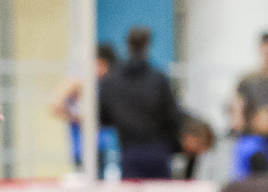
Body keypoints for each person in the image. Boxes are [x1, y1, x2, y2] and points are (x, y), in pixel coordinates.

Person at [100, 26, 184, 181]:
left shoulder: (112, 81)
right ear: (147, 45)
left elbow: (103, 116)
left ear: (128, 45)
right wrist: (173, 147)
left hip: (129, 150)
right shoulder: (159, 79)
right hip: (158, 151)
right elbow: (173, 115)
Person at [53, 44, 116, 173]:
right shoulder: (79, 81)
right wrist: (77, 117)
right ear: (99, 63)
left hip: (102, 145)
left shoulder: (103, 83)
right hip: (86, 147)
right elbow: (55, 104)